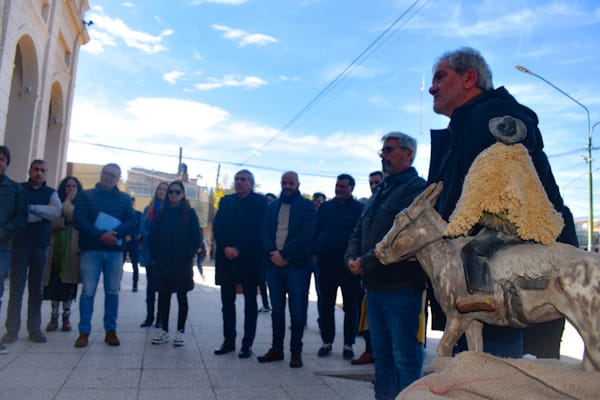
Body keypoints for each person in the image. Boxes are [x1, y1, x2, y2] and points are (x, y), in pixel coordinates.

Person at [427, 47, 578, 358]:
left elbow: (511, 197)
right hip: (486, 281)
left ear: (470, 78)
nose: (432, 87)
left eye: (440, 77)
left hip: (506, 286)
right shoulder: (466, 125)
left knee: (495, 375)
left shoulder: (491, 116)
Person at [346, 132, 428, 399]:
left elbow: (402, 237)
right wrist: (351, 259)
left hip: (402, 287)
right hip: (375, 287)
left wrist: (365, 263)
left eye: (389, 150)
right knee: (381, 356)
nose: (383, 155)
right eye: (382, 151)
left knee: (404, 356)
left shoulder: (417, 188)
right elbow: (360, 229)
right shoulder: (381, 188)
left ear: (408, 154)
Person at [72, 163, 136, 347]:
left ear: (118, 179)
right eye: (106, 174)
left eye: (113, 175)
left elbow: (131, 220)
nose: (108, 178)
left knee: (112, 292)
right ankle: (84, 332)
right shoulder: (86, 195)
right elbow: (79, 220)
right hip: (91, 250)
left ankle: (111, 331)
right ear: (101, 175)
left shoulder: (124, 199)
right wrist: (101, 235)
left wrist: (115, 234)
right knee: (88, 292)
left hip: (114, 252)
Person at [257, 171, 316, 368]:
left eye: (291, 183)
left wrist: (285, 254)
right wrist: (273, 252)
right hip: (273, 266)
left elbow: (307, 234)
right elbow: (264, 231)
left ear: (298, 184)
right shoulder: (272, 206)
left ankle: (296, 352)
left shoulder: (307, 207)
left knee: (297, 312)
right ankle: (276, 349)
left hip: (297, 266)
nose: (287, 186)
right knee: (276, 311)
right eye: (284, 183)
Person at [3, 160, 61, 345]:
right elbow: (16, 213)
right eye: (36, 169)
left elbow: (55, 213)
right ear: (29, 170)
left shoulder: (51, 193)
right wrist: (41, 213)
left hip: (40, 246)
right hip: (18, 245)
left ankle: (34, 329)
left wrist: (33, 209)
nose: (39, 173)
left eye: (43, 170)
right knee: (16, 290)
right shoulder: (18, 189)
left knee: (37, 290)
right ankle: (12, 330)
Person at [213, 170, 268, 358]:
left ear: (251, 184)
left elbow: (258, 230)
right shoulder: (226, 201)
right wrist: (226, 247)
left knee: (250, 304)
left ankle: (247, 344)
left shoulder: (260, 203)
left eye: (243, 180)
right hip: (226, 259)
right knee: (227, 303)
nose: (239, 182)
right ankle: (228, 341)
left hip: (249, 259)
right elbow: (218, 227)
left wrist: (238, 248)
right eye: (236, 179)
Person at [315, 174, 363, 360]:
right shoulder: (325, 208)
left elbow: (361, 235)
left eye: (343, 186)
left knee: (350, 306)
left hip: (349, 266)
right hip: (326, 264)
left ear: (351, 188)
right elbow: (316, 230)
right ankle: (327, 341)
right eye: (337, 186)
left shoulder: (359, 209)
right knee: (326, 305)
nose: (339, 189)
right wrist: (315, 251)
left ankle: (348, 344)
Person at [149, 181, 201, 346]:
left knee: (181, 297)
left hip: (182, 263)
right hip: (163, 263)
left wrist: (188, 254)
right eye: (171, 192)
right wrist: (157, 255)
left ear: (183, 194)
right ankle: (164, 330)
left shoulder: (190, 213)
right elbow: (153, 236)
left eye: (177, 192)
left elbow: (196, 237)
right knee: (163, 297)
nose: (173, 195)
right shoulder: (161, 213)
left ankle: (180, 331)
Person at [43, 176, 83, 332]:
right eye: (68, 186)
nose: (70, 189)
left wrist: (67, 203)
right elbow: (51, 223)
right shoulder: (54, 202)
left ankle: (66, 317)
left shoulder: (80, 205)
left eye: (74, 186)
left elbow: (75, 218)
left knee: (68, 285)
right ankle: (54, 316)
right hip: (55, 250)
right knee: (54, 284)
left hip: (72, 251)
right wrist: (63, 220)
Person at [351, 170, 383, 366]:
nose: (374, 186)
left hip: (387, 270)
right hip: (365, 271)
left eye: (377, 182)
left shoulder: (393, 203)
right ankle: (369, 350)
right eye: (371, 183)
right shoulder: (368, 205)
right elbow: (358, 234)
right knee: (366, 317)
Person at [0, 146, 27, 354]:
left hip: (3, 246)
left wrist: (4, 231)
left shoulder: (15, 189)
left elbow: (21, 217)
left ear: (7, 164)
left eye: (2, 159)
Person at [139, 182, 168, 328]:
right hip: (150, 253)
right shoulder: (148, 209)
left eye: (164, 189)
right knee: (150, 287)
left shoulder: (169, 209)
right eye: (159, 189)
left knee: (162, 288)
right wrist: (150, 237)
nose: (162, 191)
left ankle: (160, 318)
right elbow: (142, 227)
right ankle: (149, 317)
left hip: (164, 254)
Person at [259, 193, 277, 312]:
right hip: (260, 254)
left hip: (275, 254)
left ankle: (275, 304)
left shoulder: (277, 216)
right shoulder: (259, 215)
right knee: (261, 280)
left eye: (270, 200)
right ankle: (265, 304)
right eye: (266, 200)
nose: (268, 203)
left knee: (274, 282)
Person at [123, 196, 142, 292]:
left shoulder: (138, 215)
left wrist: (132, 236)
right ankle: (117, 283)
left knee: (135, 265)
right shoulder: (123, 214)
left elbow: (140, 228)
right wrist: (124, 235)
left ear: (134, 203)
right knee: (119, 264)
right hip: (123, 242)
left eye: (132, 202)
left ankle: (135, 284)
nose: (130, 204)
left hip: (134, 243)